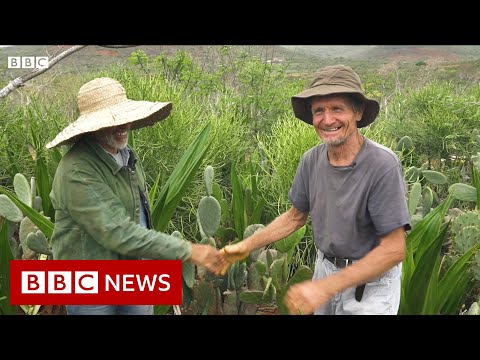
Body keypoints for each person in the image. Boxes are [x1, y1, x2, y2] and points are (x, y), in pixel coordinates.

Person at [217, 65, 411, 315]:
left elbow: (394, 250)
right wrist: (245, 246)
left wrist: (327, 287)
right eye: (319, 111)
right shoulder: (311, 160)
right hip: (325, 268)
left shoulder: (382, 165)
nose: (327, 120)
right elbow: (295, 217)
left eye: (337, 109)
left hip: (370, 282)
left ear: (358, 112)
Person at [46, 77, 224, 315]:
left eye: (124, 118)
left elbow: (138, 214)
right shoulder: (77, 170)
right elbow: (117, 231)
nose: (122, 126)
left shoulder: (127, 155)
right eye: (111, 121)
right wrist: (187, 250)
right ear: (92, 127)